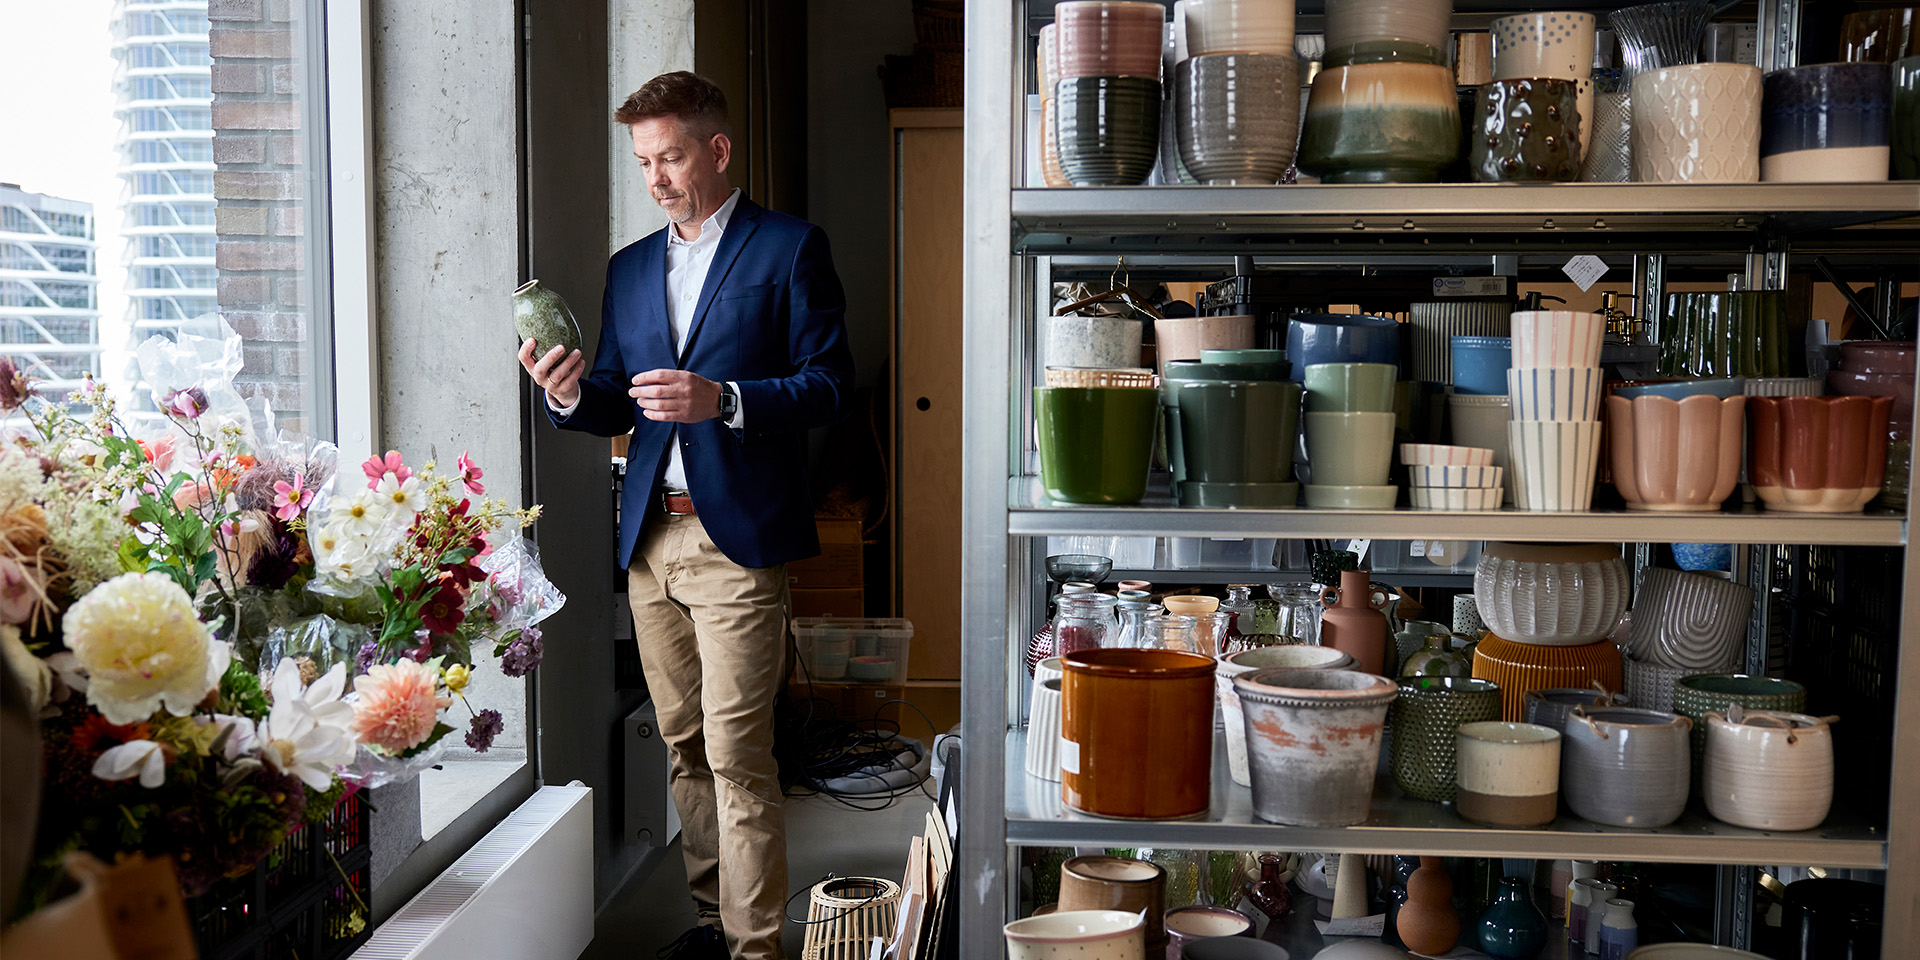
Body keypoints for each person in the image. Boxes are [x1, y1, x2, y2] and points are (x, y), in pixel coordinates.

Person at [519, 70, 854, 960]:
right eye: (643, 161)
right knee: (682, 747)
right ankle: (715, 923)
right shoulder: (629, 268)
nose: (657, 176)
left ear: (718, 149)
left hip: (734, 539)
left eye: (671, 156)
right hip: (647, 542)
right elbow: (616, 399)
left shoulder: (788, 249)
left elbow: (828, 385)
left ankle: (756, 949)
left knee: (738, 751)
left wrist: (728, 400)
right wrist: (563, 396)